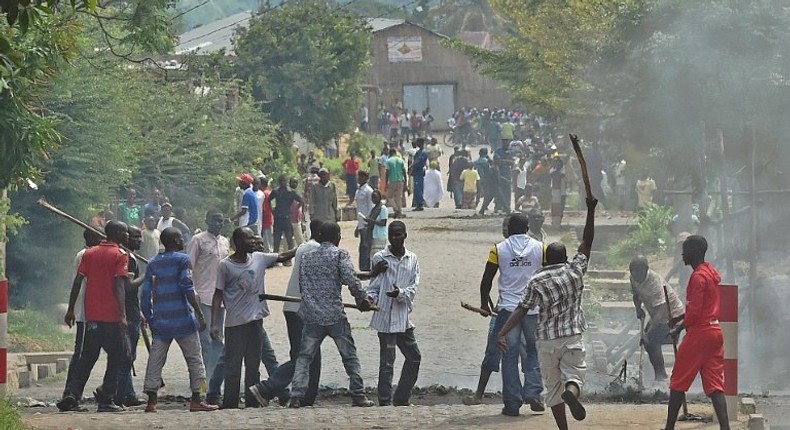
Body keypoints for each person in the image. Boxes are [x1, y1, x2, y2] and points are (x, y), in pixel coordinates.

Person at [498, 197, 597, 430]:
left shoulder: (537, 280)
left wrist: (502, 332)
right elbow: (587, 241)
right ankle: (571, 392)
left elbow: (521, 310)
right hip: (571, 335)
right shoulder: (575, 271)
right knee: (574, 376)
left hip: (546, 340)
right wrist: (590, 211)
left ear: (546, 260)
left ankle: (563, 428)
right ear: (564, 258)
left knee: (553, 388)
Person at [287, 222, 376, 408]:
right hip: (335, 315)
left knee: (304, 358)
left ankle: (296, 396)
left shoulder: (306, 257)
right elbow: (351, 279)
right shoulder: (339, 254)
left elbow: (303, 285)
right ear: (337, 236)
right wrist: (362, 300)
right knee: (349, 357)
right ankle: (358, 395)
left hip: (311, 316)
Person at [210, 226, 295, 409]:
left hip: (255, 322)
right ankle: (230, 403)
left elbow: (282, 257)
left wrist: (302, 247)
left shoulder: (258, 258)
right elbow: (218, 294)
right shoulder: (225, 265)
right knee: (232, 367)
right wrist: (214, 323)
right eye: (250, 239)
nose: (254, 242)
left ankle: (252, 402)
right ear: (239, 242)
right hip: (235, 324)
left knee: (253, 365)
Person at [140, 228, 218, 413]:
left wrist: (150, 318)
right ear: (176, 240)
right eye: (182, 238)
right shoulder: (183, 260)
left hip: (161, 321)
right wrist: (199, 314)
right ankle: (198, 399)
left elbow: (145, 294)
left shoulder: (152, 263)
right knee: (195, 360)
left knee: (155, 361)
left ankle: (151, 402)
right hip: (183, 320)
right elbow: (187, 286)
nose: (184, 241)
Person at [249, 220, 325, 407]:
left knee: (310, 355)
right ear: (323, 234)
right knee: (304, 356)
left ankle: (305, 397)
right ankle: (266, 388)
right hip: (302, 309)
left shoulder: (305, 247)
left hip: (296, 307)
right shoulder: (316, 250)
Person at [59, 220, 130, 413]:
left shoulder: (90, 253)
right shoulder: (121, 255)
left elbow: (78, 280)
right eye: (125, 233)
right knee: (118, 356)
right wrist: (122, 315)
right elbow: (119, 286)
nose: (127, 236)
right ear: (117, 233)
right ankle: (106, 398)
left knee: (87, 358)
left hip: (92, 317)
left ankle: (72, 395)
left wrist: (71, 308)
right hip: (112, 317)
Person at [662, 235, 730, 430]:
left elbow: (695, 314)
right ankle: (726, 428)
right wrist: (679, 318)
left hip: (699, 334)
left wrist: (678, 328)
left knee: (678, 382)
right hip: (714, 332)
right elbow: (701, 308)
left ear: (693, 252)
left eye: (684, 250)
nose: (682, 254)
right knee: (715, 386)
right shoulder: (710, 273)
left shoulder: (697, 277)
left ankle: (669, 428)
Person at [480, 213, 544, 416]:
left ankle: (512, 403)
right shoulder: (540, 248)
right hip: (533, 309)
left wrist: (484, 303)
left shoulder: (498, 250)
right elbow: (549, 273)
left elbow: (487, 279)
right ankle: (533, 391)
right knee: (534, 351)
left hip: (508, 310)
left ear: (509, 229)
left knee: (509, 354)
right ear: (527, 228)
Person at [365, 221, 421, 406]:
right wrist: (370, 299)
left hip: (403, 318)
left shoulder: (412, 259)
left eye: (399, 234)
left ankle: (401, 398)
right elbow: (373, 287)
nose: (396, 238)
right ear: (389, 237)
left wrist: (400, 294)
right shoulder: (380, 258)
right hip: (385, 318)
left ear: (405, 235)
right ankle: (384, 401)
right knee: (387, 363)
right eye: (392, 235)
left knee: (414, 358)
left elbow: (413, 288)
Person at [57, 229, 104, 412]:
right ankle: (69, 394)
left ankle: (74, 394)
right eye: (100, 237)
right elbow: (78, 282)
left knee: (89, 354)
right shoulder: (85, 255)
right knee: (82, 354)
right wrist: (71, 309)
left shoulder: (91, 254)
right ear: (92, 238)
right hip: (85, 312)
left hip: (93, 311)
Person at [186, 210, 230, 389]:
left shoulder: (225, 242)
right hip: (202, 297)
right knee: (204, 341)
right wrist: (192, 294)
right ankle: (201, 383)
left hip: (220, 298)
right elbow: (188, 268)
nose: (217, 224)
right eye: (214, 220)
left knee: (218, 340)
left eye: (220, 220)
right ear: (206, 220)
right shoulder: (198, 240)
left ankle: (213, 381)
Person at [629, 256, 685, 382]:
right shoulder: (633, 277)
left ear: (646, 269)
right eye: (634, 273)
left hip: (672, 316)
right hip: (656, 315)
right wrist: (638, 308)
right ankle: (660, 375)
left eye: (639, 273)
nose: (636, 277)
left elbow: (662, 310)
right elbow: (635, 295)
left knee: (651, 341)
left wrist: (648, 334)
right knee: (648, 343)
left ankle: (661, 378)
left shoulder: (654, 282)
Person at [114, 225, 145, 407]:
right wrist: (147, 276)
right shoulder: (128, 259)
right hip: (127, 313)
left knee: (127, 355)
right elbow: (127, 287)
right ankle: (115, 395)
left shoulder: (127, 257)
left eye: (140, 237)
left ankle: (128, 393)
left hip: (132, 310)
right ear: (125, 238)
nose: (139, 240)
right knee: (126, 356)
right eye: (135, 236)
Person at [268, 174, 304, 256]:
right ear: (279, 182)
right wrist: (272, 210)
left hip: (287, 217)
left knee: (289, 239)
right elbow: (268, 200)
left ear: (286, 182)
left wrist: (294, 209)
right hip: (278, 217)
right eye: (281, 181)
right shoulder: (276, 191)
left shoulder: (291, 192)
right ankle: (275, 257)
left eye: (284, 181)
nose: (283, 183)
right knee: (276, 239)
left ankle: (288, 259)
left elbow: (301, 200)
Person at [354, 171, 374, 271]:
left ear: (366, 178)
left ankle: (366, 266)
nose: (359, 179)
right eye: (359, 177)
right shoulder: (358, 191)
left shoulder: (368, 191)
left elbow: (370, 208)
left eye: (362, 177)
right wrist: (358, 225)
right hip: (361, 222)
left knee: (365, 244)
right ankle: (363, 266)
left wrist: (367, 222)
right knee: (362, 244)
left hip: (366, 222)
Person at [365, 190, 389, 260]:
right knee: (373, 255)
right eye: (372, 198)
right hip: (373, 235)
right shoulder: (374, 209)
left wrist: (371, 221)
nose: (373, 199)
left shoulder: (383, 208)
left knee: (379, 255)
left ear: (380, 197)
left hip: (380, 235)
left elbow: (383, 223)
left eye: (375, 197)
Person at [385, 149, 407, 218]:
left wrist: (386, 182)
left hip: (392, 180)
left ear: (390, 153)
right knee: (398, 197)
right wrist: (406, 181)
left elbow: (387, 172)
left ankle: (396, 209)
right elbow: (404, 171)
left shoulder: (388, 161)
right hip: (400, 180)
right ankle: (399, 212)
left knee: (389, 196)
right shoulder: (401, 160)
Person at [288, 177, 305, 247]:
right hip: (289, 221)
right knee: (288, 240)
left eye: (296, 182)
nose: (295, 184)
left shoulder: (298, 193)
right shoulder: (287, 193)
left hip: (297, 221)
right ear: (289, 183)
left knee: (300, 240)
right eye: (293, 182)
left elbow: (302, 203)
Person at [260, 176, 275, 252]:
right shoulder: (269, 192)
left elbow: (264, 208)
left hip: (265, 219)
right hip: (270, 218)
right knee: (269, 238)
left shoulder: (263, 194)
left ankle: (267, 254)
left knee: (266, 239)